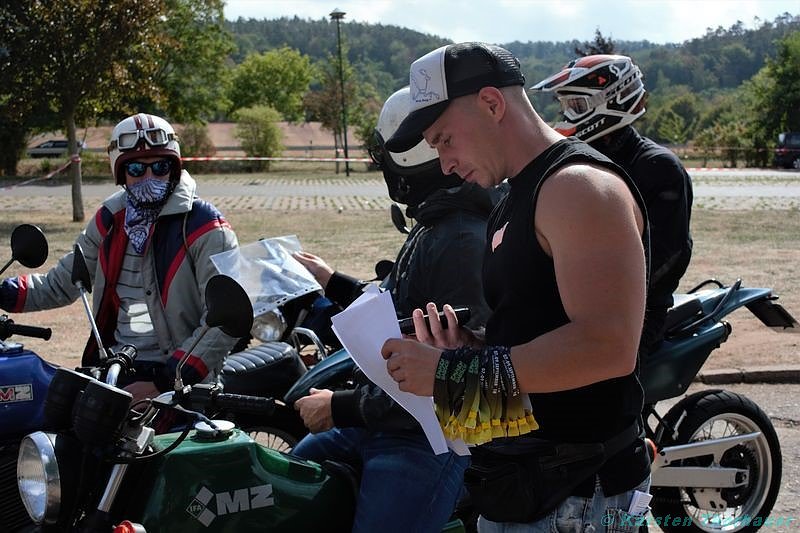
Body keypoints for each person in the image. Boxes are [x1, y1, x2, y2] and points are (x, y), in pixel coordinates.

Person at [380, 42, 652, 532]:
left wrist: (452, 374)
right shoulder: (512, 199)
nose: (443, 164)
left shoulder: (578, 187)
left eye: (444, 140)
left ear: (491, 103)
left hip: (578, 498)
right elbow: (534, 350)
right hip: (523, 491)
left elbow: (609, 347)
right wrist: (468, 349)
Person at [290, 87, 495, 533]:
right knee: (281, 491)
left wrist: (341, 407)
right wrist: (334, 282)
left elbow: (458, 380)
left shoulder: (460, 238)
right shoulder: (440, 222)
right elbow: (397, 309)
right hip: (382, 421)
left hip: (425, 440)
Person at [0, 113, 239, 403]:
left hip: (181, 379)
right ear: (121, 174)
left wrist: (165, 381)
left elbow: (225, 320)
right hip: (117, 366)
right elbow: (61, 284)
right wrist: (4, 292)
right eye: (137, 169)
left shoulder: (205, 227)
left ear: (173, 168)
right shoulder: (110, 220)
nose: (149, 177)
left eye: (160, 167)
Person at [531, 54, 693, 355]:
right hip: (577, 306)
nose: (567, 116)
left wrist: (607, 296)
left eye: (576, 106)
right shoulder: (582, 162)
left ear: (612, 100)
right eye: (565, 106)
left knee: (596, 386)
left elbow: (668, 254)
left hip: (638, 313)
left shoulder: (657, 167)